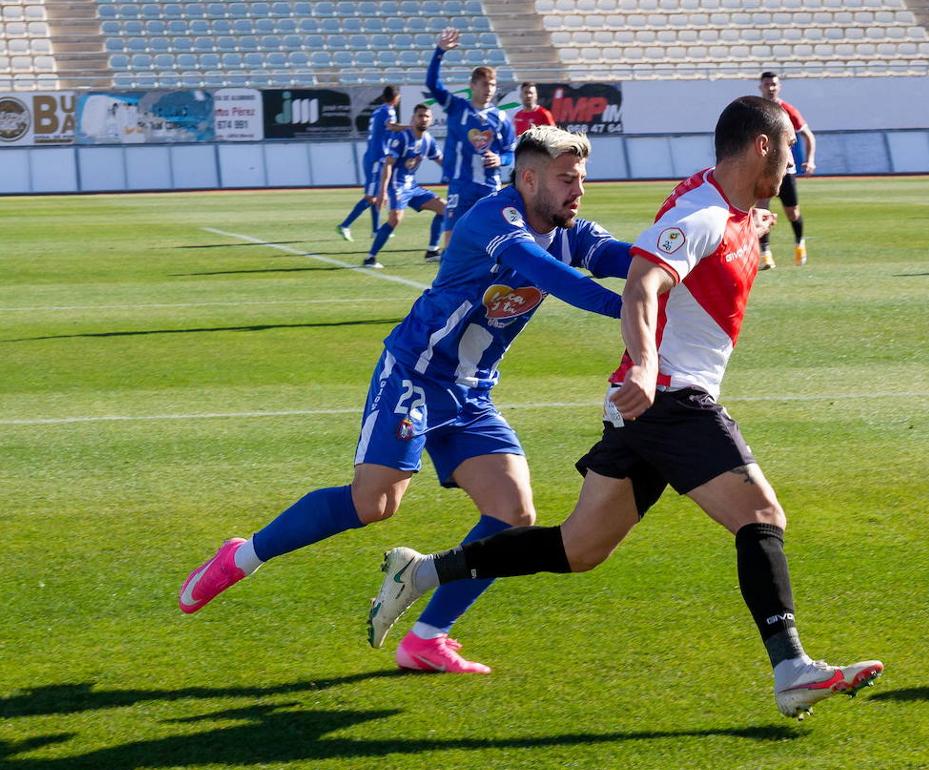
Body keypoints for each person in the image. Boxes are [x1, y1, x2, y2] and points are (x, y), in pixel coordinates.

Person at [367, 97, 883, 720]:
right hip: (669, 394)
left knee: (579, 548)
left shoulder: (737, 211)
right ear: (762, 148)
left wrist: (753, 228)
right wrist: (642, 361)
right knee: (760, 512)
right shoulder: (702, 213)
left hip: (645, 406)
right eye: (789, 154)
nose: (794, 170)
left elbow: (658, 254)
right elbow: (641, 282)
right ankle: (791, 667)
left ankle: (422, 574)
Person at [180, 126, 636, 675]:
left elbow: (618, 256)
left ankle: (426, 638)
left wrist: (689, 262)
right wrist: (632, 312)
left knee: (512, 514)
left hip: (471, 392)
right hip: (414, 377)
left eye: (581, 180)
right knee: (374, 505)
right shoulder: (496, 219)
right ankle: (243, 555)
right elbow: (552, 278)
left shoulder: (567, 228)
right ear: (529, 177)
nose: (578, 192)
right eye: (567, 180)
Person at [427, 27, 516, 250]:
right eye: (485, 84)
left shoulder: (501, 117)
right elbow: (432, 84)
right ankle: (447, 284)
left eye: (493, 85)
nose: (489, 89)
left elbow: (510, 152)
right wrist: (440, 52)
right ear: (472, 85)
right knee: (451, 241)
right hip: (461, 186)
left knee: (493, 242)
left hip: (490, 186)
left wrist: (500, 160)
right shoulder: (457, 108)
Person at [364, 104, 446, 269]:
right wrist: (382, 191)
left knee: (445, 208)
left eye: (427, 117)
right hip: (396, 185)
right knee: (395, 219)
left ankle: (432, 251)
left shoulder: (428, 140)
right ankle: (370, 258)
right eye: (420, 116)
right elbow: (388, 165)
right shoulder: (401, 138)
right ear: (413, 118)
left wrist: (458, 174)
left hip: (412, 186)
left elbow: (442, 161)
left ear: (431, 120)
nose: (423, 119)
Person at [756, 71, 816, 269]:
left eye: (773, 84)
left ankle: (800, 244)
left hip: (785, 170)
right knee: (761, 210)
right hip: (764, 168)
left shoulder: (787, 110)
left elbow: (808, 135)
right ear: (761, 87)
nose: (770, 88)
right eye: (767, 84)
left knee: (792, 212)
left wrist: (810, 160)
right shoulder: (755, 110)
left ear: (779, 86)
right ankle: (765, 255)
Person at [338, 85, 404, 242]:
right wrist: (411, 128)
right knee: (371, 197)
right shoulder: (389, 110)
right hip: (377, 157)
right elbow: (391, 127)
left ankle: (375, 230)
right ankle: (345, 225)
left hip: (372, 155)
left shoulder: (378, 110)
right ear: (395, 98)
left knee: (376, 195)